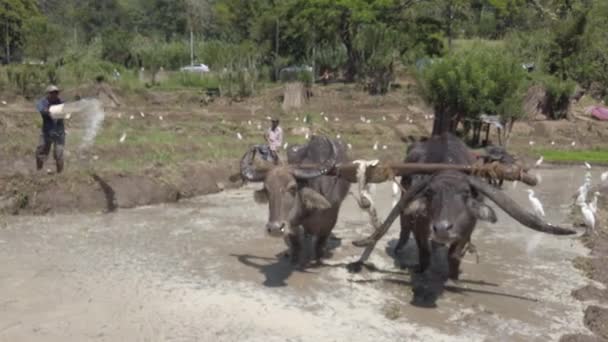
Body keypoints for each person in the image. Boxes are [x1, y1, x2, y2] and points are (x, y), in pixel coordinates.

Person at [36, 85, 65, 173]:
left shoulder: (61, 102)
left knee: (58, 153)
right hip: (46, 131)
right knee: (41, 151)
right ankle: (39, 170)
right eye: (52, 93)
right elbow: (42, 110)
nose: (55, 95)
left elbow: (66, 112)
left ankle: (60, 174)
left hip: (59, 132)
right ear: (48, 94)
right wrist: (50, 111)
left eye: (56, 93)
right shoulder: (42, 102)